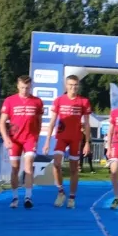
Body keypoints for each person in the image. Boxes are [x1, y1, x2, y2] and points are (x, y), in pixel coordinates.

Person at [43, 75, 92, 208]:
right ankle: (60, 192)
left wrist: (87, 142)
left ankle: (71, 197)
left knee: (74, 169)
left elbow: (87, 124)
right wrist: (47, 141)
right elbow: (52, 121)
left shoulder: (84, 101)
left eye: (75, 85)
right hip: (61, 137)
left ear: (78, 86)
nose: (73, 87)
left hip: (76, 138)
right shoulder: (59, 100)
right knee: (56, 164)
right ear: (66, 85)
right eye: (70, 85)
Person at [0, 76, 43, 209]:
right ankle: (15, 197)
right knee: (15, 168)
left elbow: (39, 121)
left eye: (27, 88)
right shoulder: (10, 100)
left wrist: (36, 136)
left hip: (30, 138)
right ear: (18, 86)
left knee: (28, 166)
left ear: (31, 87)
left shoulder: (37, 101)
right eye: (22, 87)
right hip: (14, 139)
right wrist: (6, 138)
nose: (25, 90)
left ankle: (28, 197)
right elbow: (2, 122)